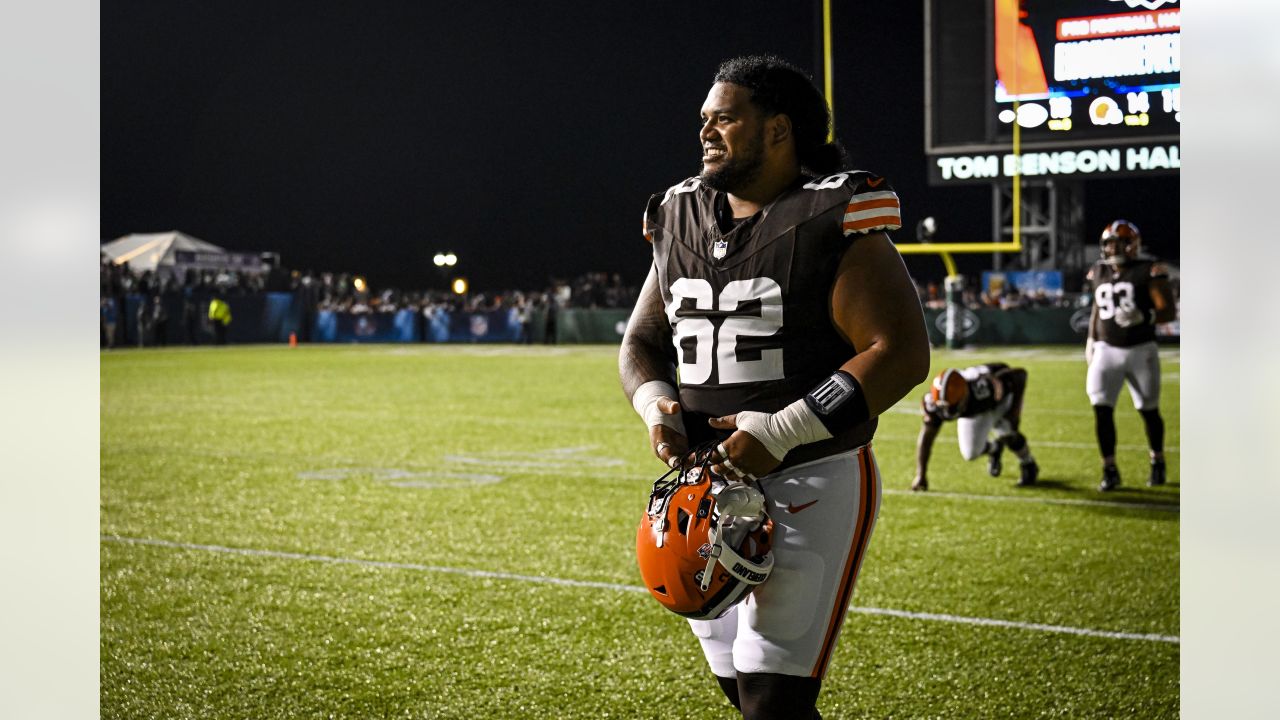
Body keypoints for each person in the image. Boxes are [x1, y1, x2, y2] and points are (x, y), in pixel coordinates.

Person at [618, 55, 929, 719]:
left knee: (772, 699)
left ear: (779, 130)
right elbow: (640, 344)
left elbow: (898, 352)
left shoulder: (829, 213)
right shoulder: (678, 214)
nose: (706, 130)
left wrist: (781, 431)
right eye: (704, 119)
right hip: (704, 485)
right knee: (743, 691)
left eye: (725, 118)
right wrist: (656, 406)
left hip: (808, 477)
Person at [1084, 220, 1177, 490]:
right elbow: (1096, 310)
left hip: (1140, 350)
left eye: (1118, 243)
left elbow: (1168, 311)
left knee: (1148, 410)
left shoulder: (1149, 270)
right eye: (1109, 243)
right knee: (1101, 410)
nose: (1113, 248)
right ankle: (1109, 469)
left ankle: (1157, 461)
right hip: (1106, 350)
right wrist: (1091, 338)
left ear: (1132, 245)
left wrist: (1145, 315)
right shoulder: (1098, 271)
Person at [911, 363, 1039, 491]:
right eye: (944, 407)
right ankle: (995, 449)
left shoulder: (985, 388)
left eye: (953, 406)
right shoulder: (935, 404)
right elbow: (926, 439)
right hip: (975, 409)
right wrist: (920, 475)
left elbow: (1020, 375)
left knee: (1007, 430)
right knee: (970, 453)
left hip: (999, 397)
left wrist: (1014, 412)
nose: (948, 412)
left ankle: (1028, 463)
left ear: (965, 394)